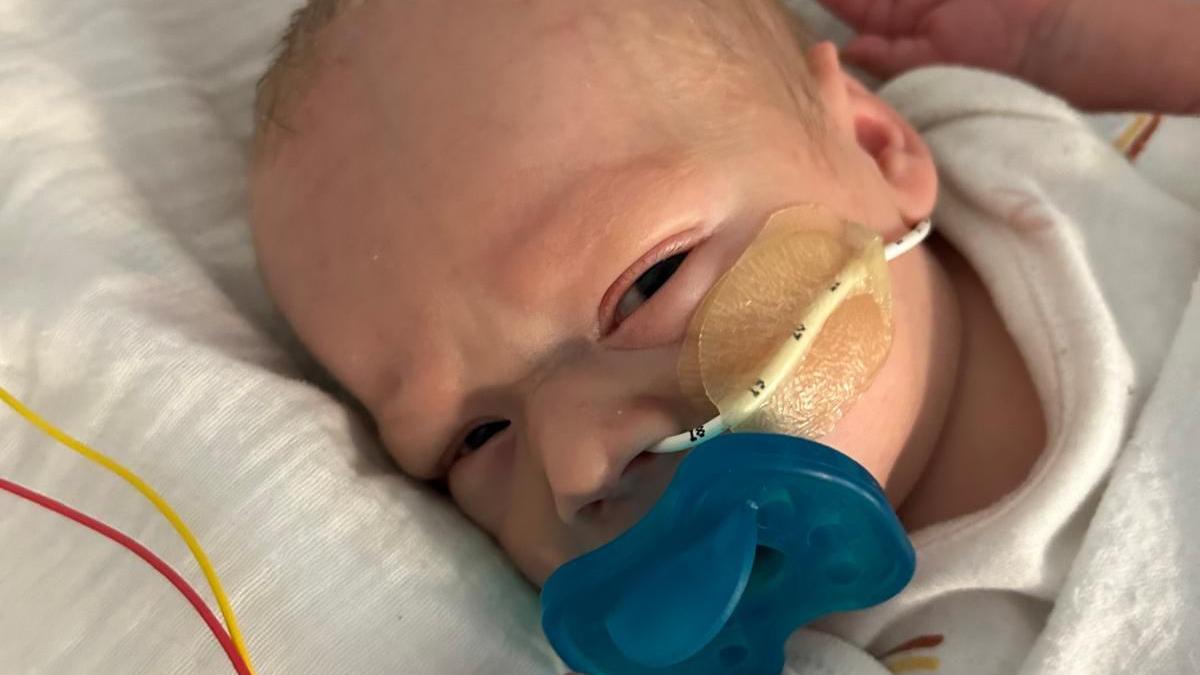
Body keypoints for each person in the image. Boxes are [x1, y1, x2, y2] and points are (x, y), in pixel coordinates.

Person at [248, 0, 1200, 671]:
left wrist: (1070, 34)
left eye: (647, 284)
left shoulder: (1036, 145)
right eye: (473, 440)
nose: (577, 466)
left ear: (874, 148)